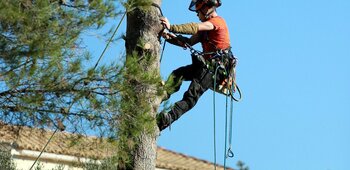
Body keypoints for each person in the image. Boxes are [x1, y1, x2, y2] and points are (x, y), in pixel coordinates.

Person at [157, 0, 235, 131]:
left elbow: (194, 27)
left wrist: (172, 27)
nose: (197, 14)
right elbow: (187, 42)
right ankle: (163, 94)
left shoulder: (216, 23)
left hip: (214, 70)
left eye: (198, 11)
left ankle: (168, 119)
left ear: (206, 9)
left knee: (191, 95)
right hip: (205, 67)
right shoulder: (205, 30)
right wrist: (168, 37)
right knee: (178, 74)